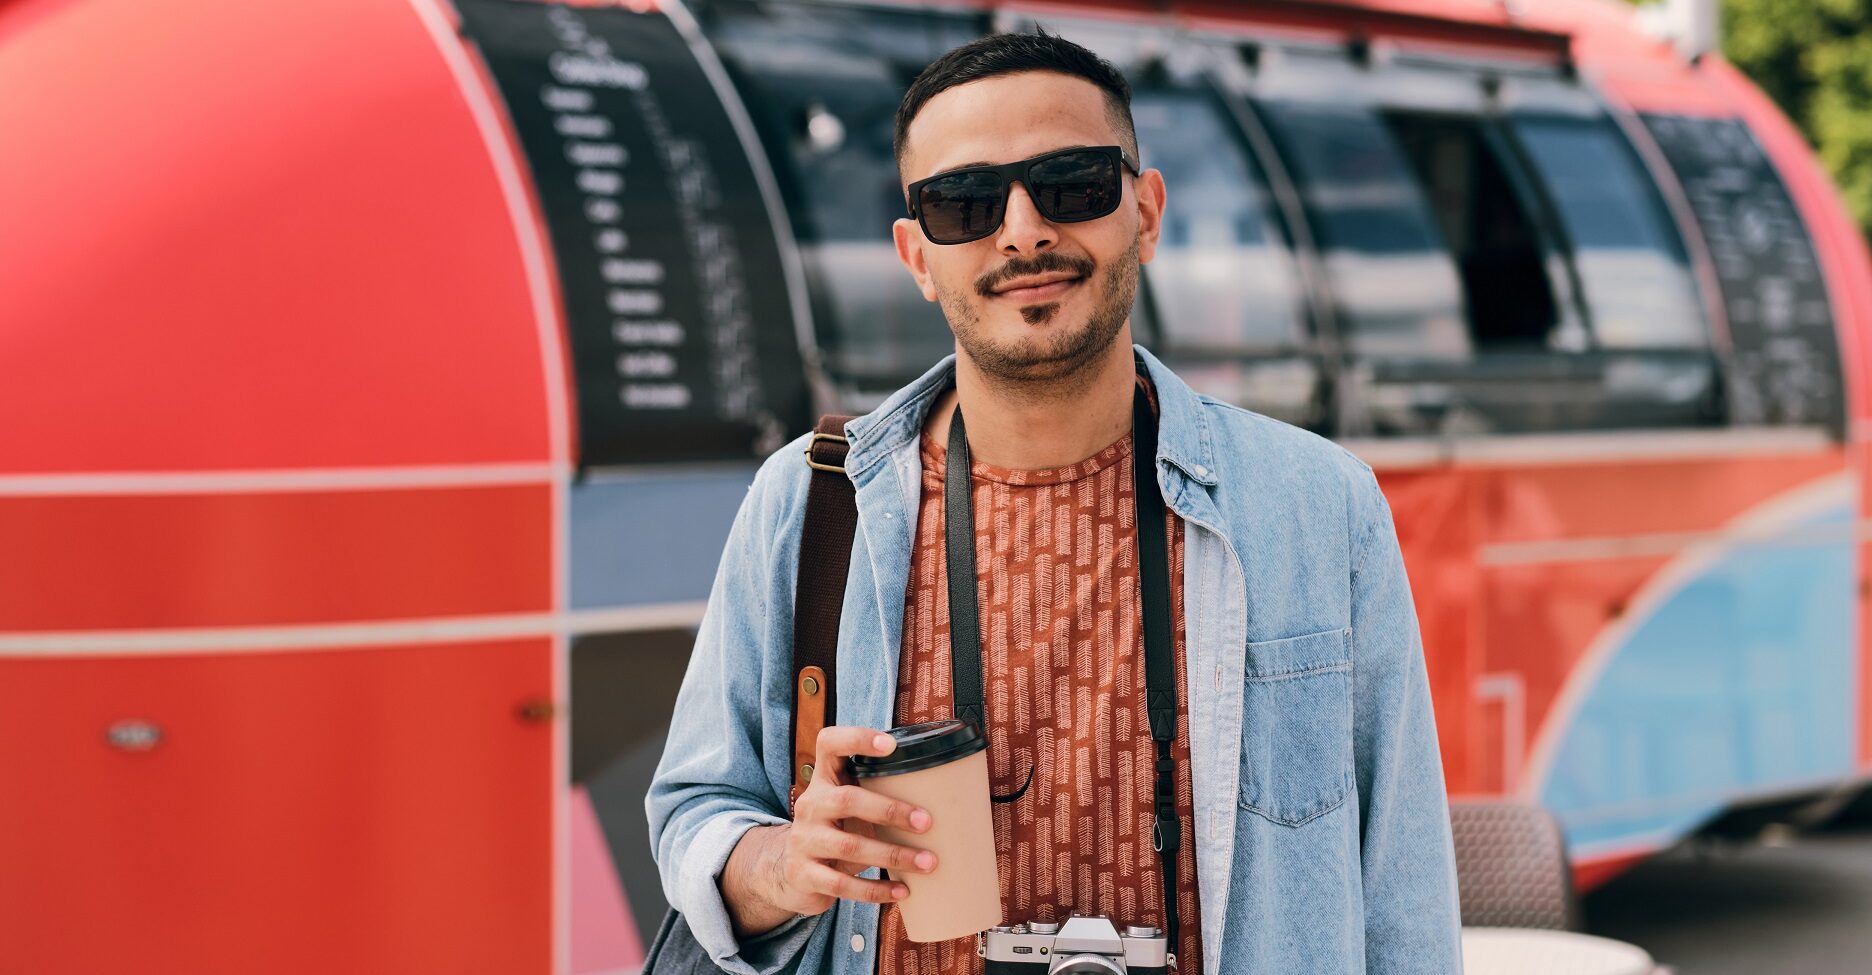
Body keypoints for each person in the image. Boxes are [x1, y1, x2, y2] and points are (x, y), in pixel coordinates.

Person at [647, 29, 1462, 975]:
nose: (1024, 230)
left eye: (1072, 184)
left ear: (1145, 213)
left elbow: (1403, 894)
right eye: (965, 202)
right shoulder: (808, 502)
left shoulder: (1319, 504)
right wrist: (786, 864)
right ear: (917, 256)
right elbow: (697, 809)